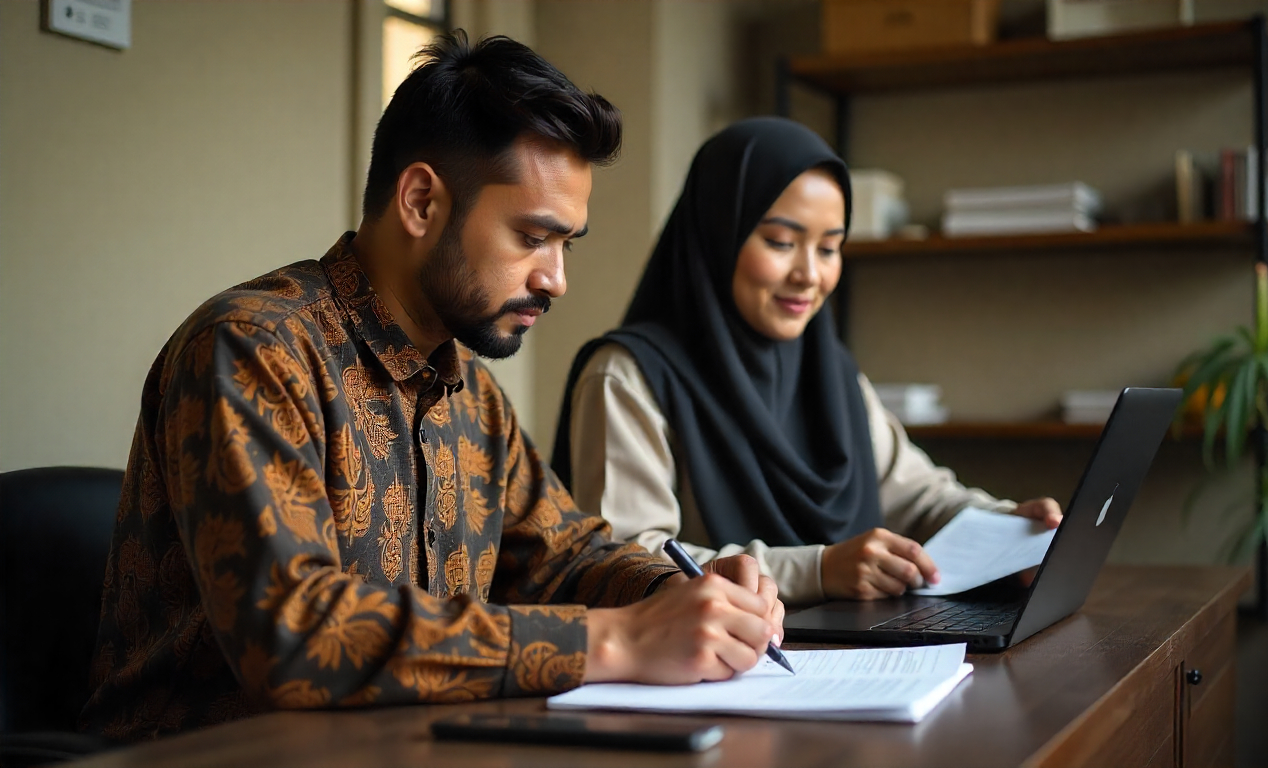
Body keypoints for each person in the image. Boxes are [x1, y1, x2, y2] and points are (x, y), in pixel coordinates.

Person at [81, 34, 783, 742]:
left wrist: (685, 593)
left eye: (566, 244)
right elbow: (295, 634)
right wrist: (619, 641)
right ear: (420, 201)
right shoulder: (253, 348)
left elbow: (567, 558)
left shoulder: (470, 394)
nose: (556, 279)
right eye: (532, 237)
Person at [552, 117, 1062, 607]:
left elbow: (917, 496)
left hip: (852, 653)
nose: (809, 275)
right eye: (780, 242)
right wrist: (818, 570)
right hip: (708, 668)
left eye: (829, 248)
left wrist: (1007, 525)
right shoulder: (627, 375)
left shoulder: (830, 372)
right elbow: (627, 558)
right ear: (717, 235)